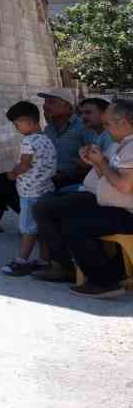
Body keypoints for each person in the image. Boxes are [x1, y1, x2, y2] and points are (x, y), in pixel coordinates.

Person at [55, 97, 133, 298]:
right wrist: (95, 162)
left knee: (75, 225)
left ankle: (104, 282)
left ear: (123, 123)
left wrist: (102, 163)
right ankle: (114, 272)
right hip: (118, 207)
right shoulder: (123, 143)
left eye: (108, 124)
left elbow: (124, 185)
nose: (106, 129)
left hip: (128, 213)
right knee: (67, 212)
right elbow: (108, 177)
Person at [0, 100, 56, 277]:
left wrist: (12, 174)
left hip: (30, 193)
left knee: (28, 228)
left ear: (29, 121)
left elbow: (25, 165)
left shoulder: (28, 141)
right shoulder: (47, 140)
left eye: (17, 124)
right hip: (46, 190)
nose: (16, 128)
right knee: (43, 228)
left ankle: (21, 261)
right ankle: (44, 261)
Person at [38, 87, 106, 189]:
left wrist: (70, 173)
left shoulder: (84, 126)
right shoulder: (48, 128)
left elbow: (95, 161)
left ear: (68, 107)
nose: (45, 106)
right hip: (48, 179)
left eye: (51, 102)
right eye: (45, 102)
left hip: (74, 181)